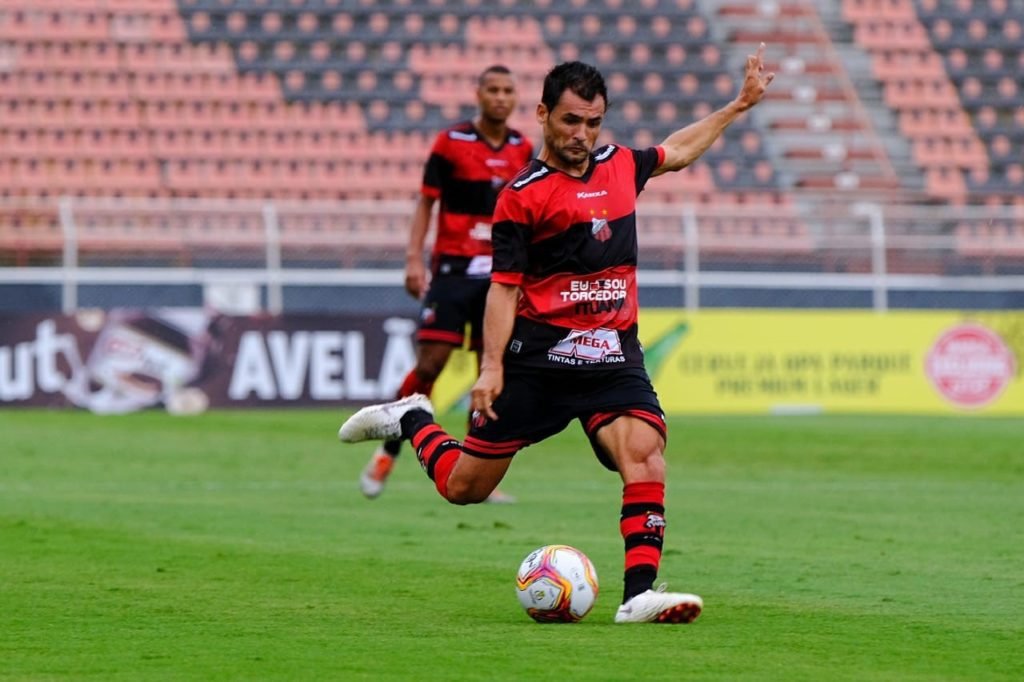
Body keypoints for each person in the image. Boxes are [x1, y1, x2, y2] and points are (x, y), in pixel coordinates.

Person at [341, 46, 774, 623]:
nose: (583, 134)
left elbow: (680, 150)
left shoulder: (621, 164)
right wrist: (491, 368)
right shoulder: (522, 196)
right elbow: (503, 288)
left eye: (594, 122)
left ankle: (638, 594)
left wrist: (737, 106)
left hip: (612, 359)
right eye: (571, 120)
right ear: (543, 115)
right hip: (536, 364)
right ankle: (412, 417)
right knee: (463, 488)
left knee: (645, 455)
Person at [359, 65, 534, 502]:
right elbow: (426, 203)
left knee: (490, 371)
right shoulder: (450, 143)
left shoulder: (523, 147)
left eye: (507, 90)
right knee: (431, 365)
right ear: (478, 93)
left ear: (516, 98)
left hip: (499, 276)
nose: (500, 97)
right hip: (453, 271)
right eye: (492, 89)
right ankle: (389, 448)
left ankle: (475, 470)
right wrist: (413, 259)